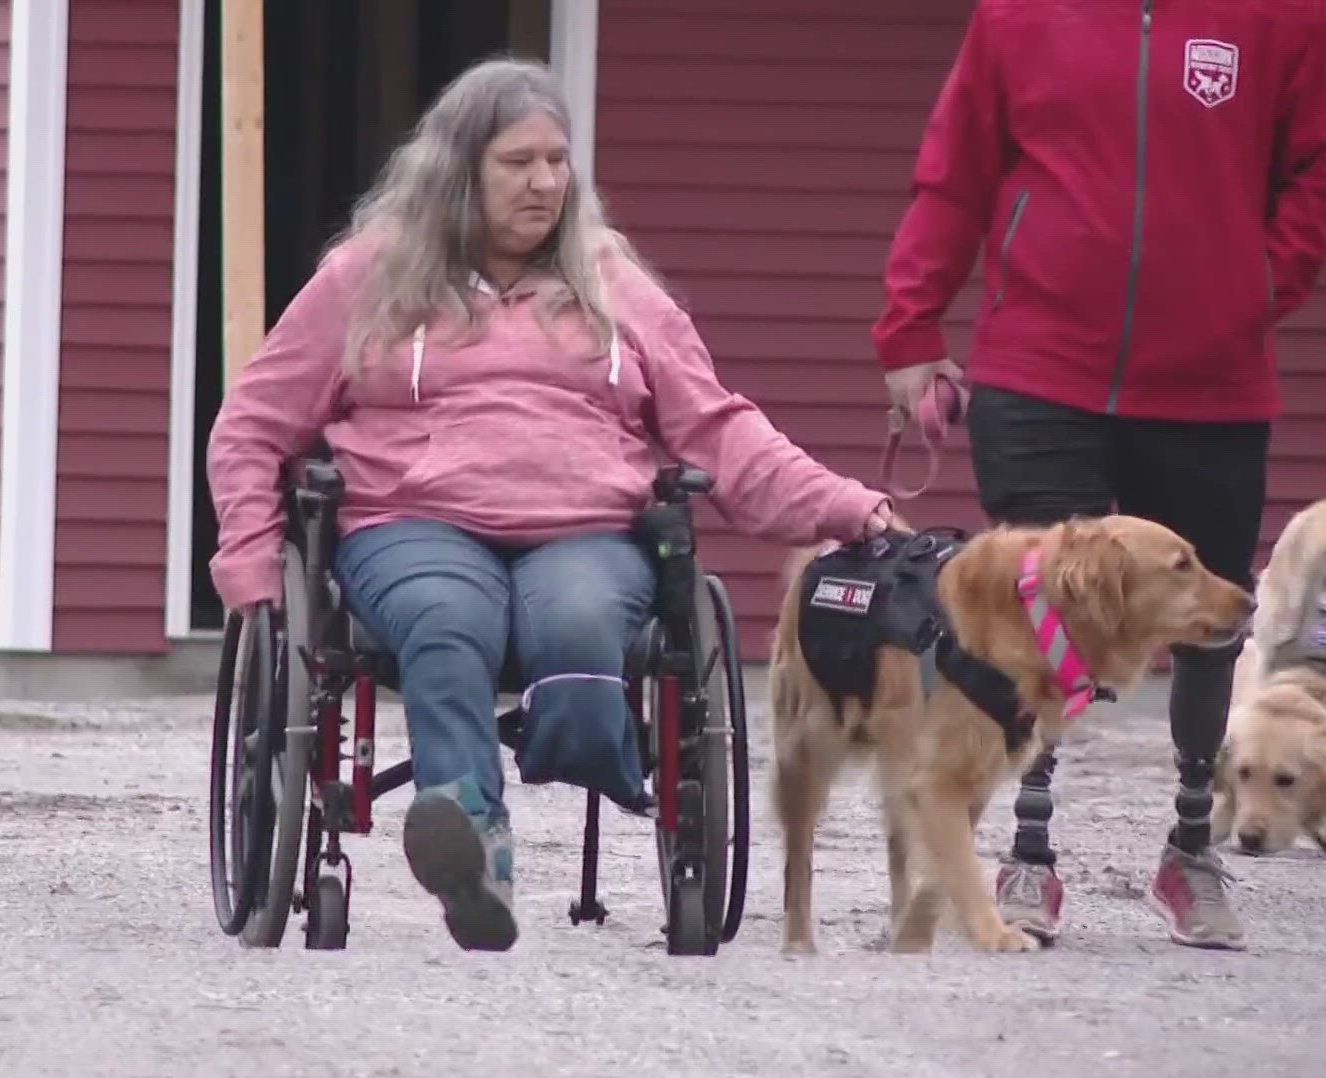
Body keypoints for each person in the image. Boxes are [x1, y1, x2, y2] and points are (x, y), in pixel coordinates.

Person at [206, 57, 896, 953]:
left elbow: (719, 431)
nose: (544, 182)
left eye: (557, 161)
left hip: (585, 530)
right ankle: (471, 846)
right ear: (461, 170)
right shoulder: (365, 279)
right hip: (412, 525)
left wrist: (845, 507)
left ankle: (587, 751)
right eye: (517, 162)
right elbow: (253, 424)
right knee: (446, 621)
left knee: (577, 624)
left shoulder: (610, 283)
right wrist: (253, 565)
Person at [874, 1, 1325, 950]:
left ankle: (1190, 847)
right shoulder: (1017, 16)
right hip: (1040, 364)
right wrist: (911, 329)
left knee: (1211, 617)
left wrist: (1257, 282)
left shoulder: (1286, 17)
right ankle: (1029, 852)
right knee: (1038, 609)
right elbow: (952, 175)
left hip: (1211, 379)